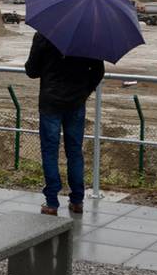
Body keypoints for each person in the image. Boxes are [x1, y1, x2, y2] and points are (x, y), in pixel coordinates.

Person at [24, 31, 104, 216]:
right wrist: (84, 92)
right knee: (75, 151)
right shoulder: (89, 37)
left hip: (50, 102)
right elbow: (98, 72)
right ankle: (77, 200)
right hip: (76, 103)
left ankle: (52, 201)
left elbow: (31, 71)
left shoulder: (44, 35)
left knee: (50, 151)